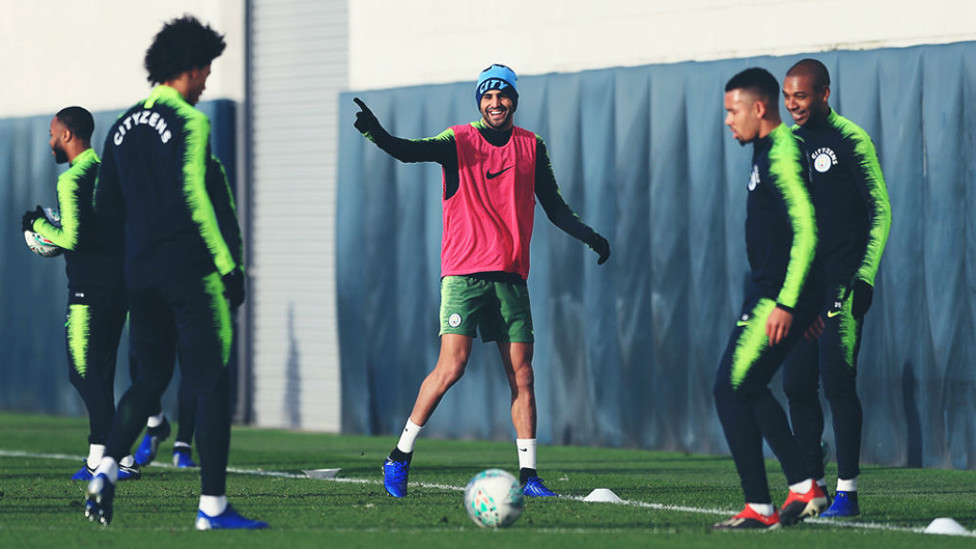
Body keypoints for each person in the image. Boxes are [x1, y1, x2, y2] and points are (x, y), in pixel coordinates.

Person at [353, 64, 611, 499]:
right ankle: (399, 456)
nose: (496, 103)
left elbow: (554, 206)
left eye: (503, 95)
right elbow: (407, 150)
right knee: (452, 367)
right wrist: (375, 131)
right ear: (480, 101)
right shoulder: (458, 140)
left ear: (513, 99)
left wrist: (590, 235)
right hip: (463, 274)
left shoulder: (531, 146)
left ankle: (529, 477)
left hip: (510, 276)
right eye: (488, 96)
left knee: (523, 376)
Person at [86, 16, 264, 529]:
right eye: (207, 69)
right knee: (210, 384)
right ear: (189, 67)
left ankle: (104, 472)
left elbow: (106, 211)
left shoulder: (121, 126)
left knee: (148, 380)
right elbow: (194, 198)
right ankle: (212, 508)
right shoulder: (190, 121)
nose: (208, 80)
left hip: (138, 274)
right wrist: (230, 269)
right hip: (188, 272)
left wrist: (122, 272)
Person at [712, 67, 828, 529]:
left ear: (758, 108)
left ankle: (762, 506)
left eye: (732, 110)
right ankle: (804, 486)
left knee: (729, 389)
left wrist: (790, 302)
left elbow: (807, 230)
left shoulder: (782, 153)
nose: (727, 120)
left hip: (774, 296)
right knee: (744, 387)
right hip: (770, 292)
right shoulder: (764, 153)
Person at [781, 58, 891, 517]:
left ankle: (848, 491)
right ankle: (816, 487)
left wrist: (865, 276)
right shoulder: (784, 144)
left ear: (824, 94)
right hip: (802, 292)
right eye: (787, 98)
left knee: (838, 381)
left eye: (801, 96)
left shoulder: (852, 140)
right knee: (796, 384)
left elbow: (880, 211)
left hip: (843, 284)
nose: (793, 106)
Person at [22, 107, 139, 481]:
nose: (50, 141)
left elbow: (73, 237)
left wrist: (37, 224)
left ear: (68, 136)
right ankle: (102, 457)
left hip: (89, 291)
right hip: (120, 288)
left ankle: (118, 457)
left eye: (53, 134)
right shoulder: (112, 173)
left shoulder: (72, 180)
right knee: (101, 375)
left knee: (82, 373)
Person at [133, 154, 243, 470]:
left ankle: (183, 446)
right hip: (154, 280)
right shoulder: (150, 170)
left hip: (197, 282)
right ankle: (154, 424)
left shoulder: (209, 173)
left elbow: (226, 224)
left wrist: (232, 272)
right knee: (138, 361)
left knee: (194, 365)